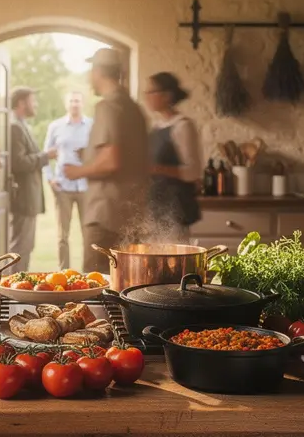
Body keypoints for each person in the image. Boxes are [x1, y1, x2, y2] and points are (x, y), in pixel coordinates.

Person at [64, 48, 149, 275]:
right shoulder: (135, 110)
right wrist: (91, 154)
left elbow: (112, 162)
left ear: (98, 71)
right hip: (131, 214)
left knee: (96, 284)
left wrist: (79, 171)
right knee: (127, 281)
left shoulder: (107, 107)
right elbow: (129, 155)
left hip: (105, 215)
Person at [144, 72, 202, 242]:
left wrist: (156, 169)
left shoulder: (183, 126)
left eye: (151, 92)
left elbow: (193, 171)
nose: (147, 96)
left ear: (167, 96)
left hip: (175, 208)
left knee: (173, 261)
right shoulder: (155, 127)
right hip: (155, 205)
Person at [8, 87, 57, 271]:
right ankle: (13, 292)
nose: (36, 104)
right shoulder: (14, 127)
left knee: (26, 248)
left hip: (28, 198)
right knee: (20, 249)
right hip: (22, 198)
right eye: (32, 100)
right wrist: (46, 156)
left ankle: (19, 291)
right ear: (21, 103)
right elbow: (18, 163)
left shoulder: (22, 125)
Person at [42, 91, 93, 270]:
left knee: (89, 233)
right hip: (63, 187)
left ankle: (89, 273)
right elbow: (45, 156)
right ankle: (63, 272)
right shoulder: (55, 126)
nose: (74, 104)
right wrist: (50, 179)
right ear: (66, 104)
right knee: (62, 236)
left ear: (83, 103)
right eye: (71, 101)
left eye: (77, 101)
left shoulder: (92, 126)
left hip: (86, 187)